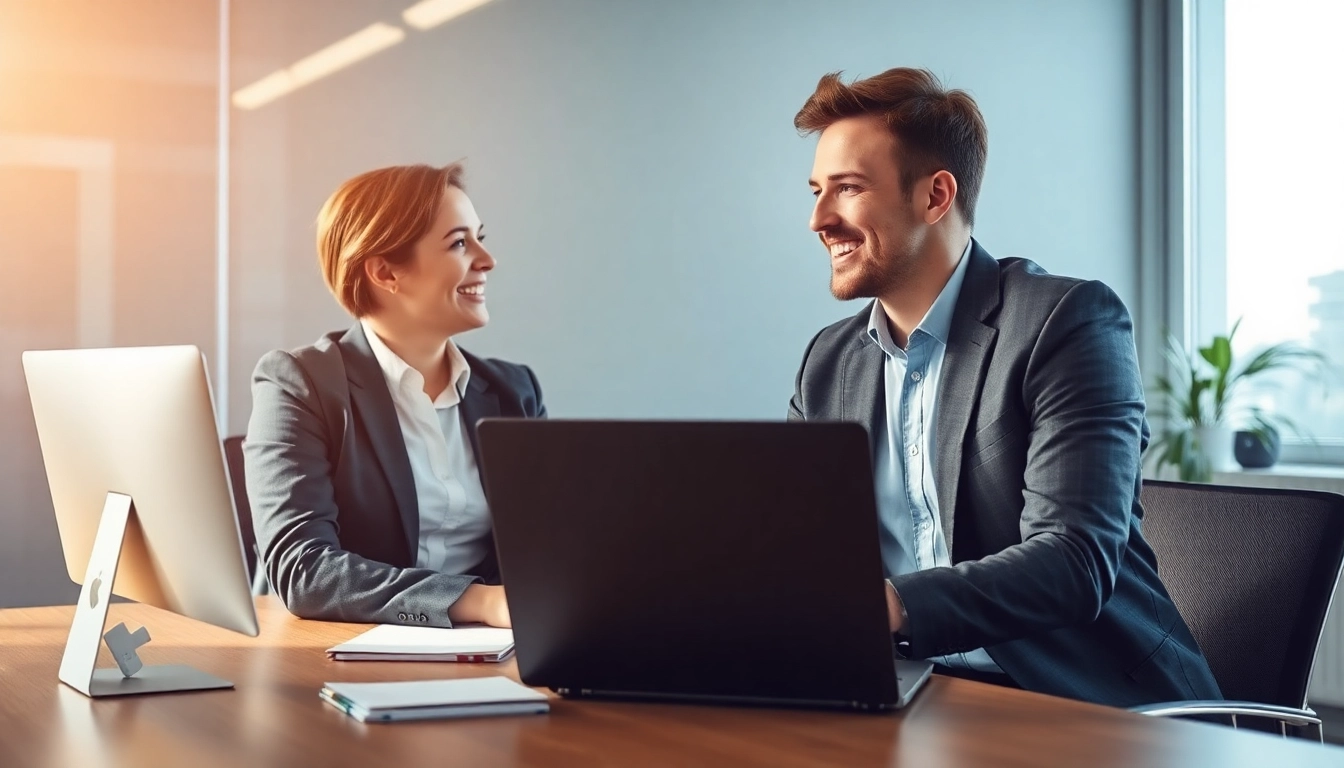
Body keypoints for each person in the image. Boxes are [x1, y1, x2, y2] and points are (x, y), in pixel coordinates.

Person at [788, 68, 1220, 706]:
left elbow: (1073, 561)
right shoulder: (828, 362)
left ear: (936, 196)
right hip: (912, 693)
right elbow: (801, 551)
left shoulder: (1066, 323)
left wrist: (891, 606)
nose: (819, 219)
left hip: (1086, 703)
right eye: (817, 190)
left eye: (848, 188)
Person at [245, 163, 544, 628]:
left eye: (479, 238)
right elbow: (303, 571)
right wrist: (482, 603)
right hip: (336, 655)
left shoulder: (514, 391)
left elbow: (548, 550)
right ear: (386, 272)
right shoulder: (299, 383)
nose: (487, 260)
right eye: (460, 243)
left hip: (495, 651)